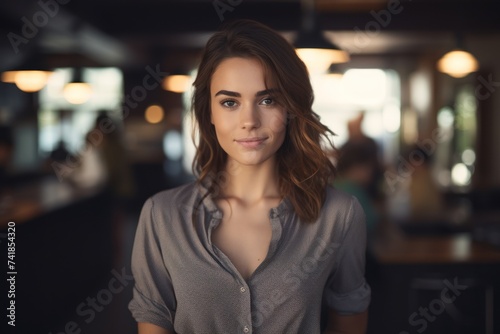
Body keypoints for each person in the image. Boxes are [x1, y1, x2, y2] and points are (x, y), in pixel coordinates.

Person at [128, 19, 370, 334]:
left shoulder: (339, 215)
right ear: (209, 114)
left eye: (267, 100)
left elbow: (349, 321)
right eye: (230, 102)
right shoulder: (162, 216)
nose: (249, 121)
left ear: (291, 109)